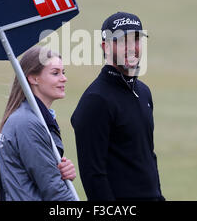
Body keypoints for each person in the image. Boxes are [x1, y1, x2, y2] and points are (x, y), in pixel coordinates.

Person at [71, 11, 165, 201]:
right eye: (123, 41)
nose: (132, 48)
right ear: (105, 47)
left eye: (137, 40)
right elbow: (93, 175)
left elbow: (148, 156)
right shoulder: (96, 100)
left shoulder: (143, 92)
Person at [0, 46, 77, 201]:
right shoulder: (28, 124)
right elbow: (53, 190)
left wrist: (62, 172)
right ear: (33, 78)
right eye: (55, 73)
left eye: (63, 73)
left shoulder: (29, 118)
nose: (64, 78)